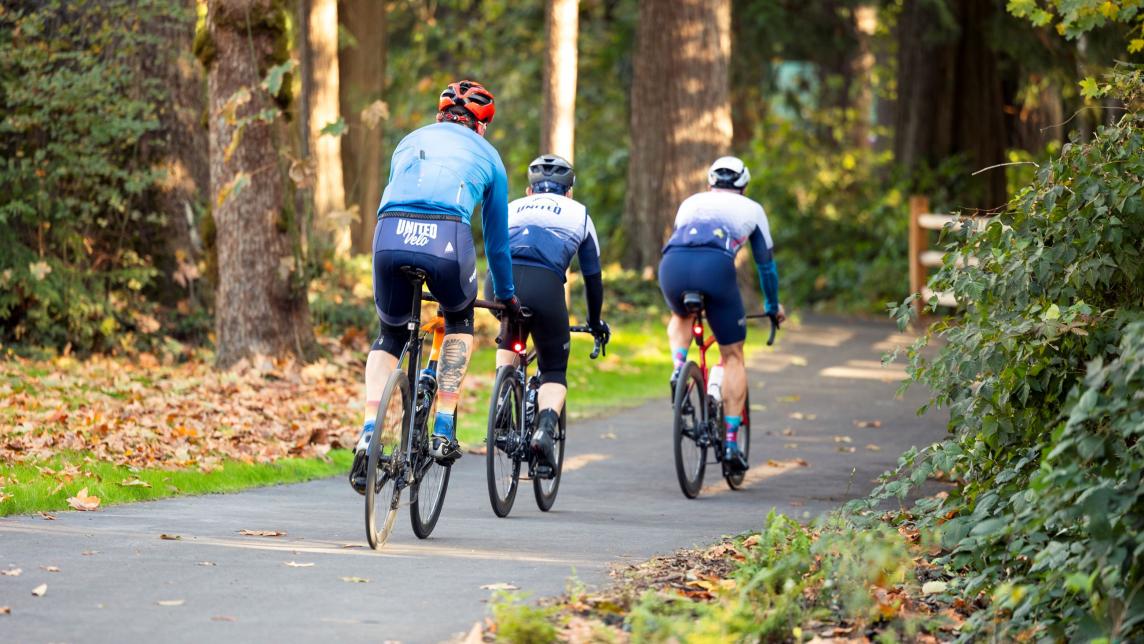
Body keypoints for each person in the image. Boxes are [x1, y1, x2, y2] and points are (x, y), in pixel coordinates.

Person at [350, 80, 521, 494]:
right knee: (458, 319)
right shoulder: (490, 157)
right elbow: (497, 243)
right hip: (447, 238)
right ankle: (444, 424)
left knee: (390, 335)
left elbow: (395, 194)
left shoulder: (409, 140)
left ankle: (369, 432)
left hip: (389, 234)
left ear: (440, 115)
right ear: (480, 125)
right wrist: (506, 296)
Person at [657, 156, 786, 473]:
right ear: (743, 186)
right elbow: (765, 266)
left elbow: (685, 240)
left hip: (672, 265)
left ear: (710, 183)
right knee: (732, 356)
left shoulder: (690, 202)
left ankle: (678, 367)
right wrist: (772, 306)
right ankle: (730, 443)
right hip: (715, 268)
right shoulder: (753, 209)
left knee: (681, 316)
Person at [487, 154, 609, 470]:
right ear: (568, 192)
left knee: (510, 335)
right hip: (545, 288)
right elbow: (593, 278)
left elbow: (489, 244)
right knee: (554, 369)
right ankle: (543, 430)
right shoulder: (579, 214)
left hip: (500, 284)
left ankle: (502, 397)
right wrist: (594, 321)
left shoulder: (511, 205)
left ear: (530, 191)